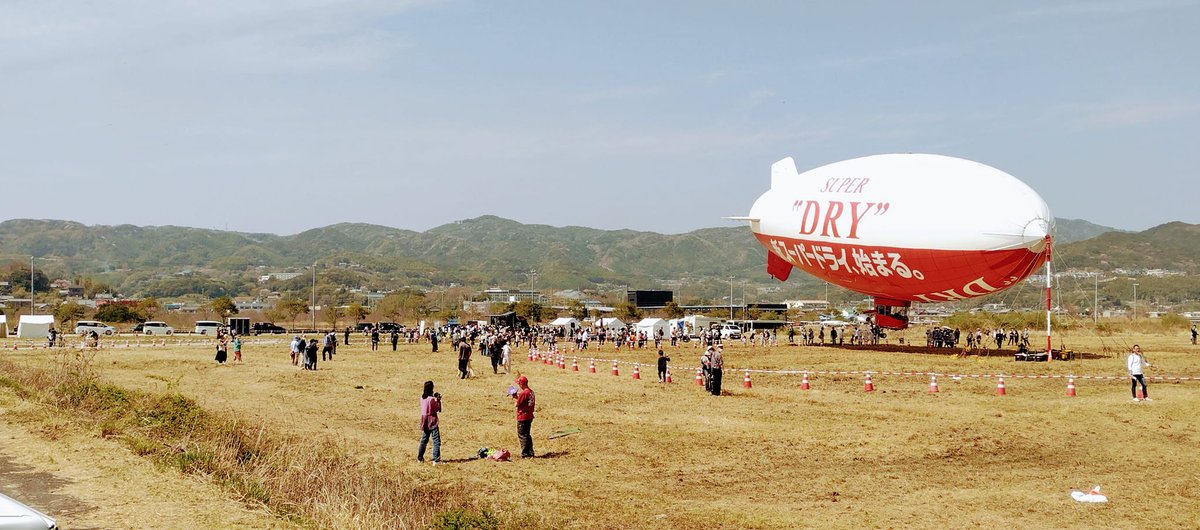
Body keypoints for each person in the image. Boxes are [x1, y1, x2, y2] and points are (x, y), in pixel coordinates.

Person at [417, 380, 442, 465]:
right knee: (436, 440)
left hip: (424, 421)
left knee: (424, 440)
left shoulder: (422, 398)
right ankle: (436, 460)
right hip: (432, 420)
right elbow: (437, 409)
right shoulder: (431, 399)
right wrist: (438, 400)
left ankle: (420, 458)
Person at [512, 375, 535, 458]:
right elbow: (524, 400)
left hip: (523, 416)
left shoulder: (524, 393)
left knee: (522, 435)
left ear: (521, 384)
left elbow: (517, 404)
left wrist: (516, 400)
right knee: (527, 434)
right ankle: (530, 451)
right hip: (529, 416)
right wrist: (517, 397)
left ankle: (525, 453)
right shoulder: (531, 392)